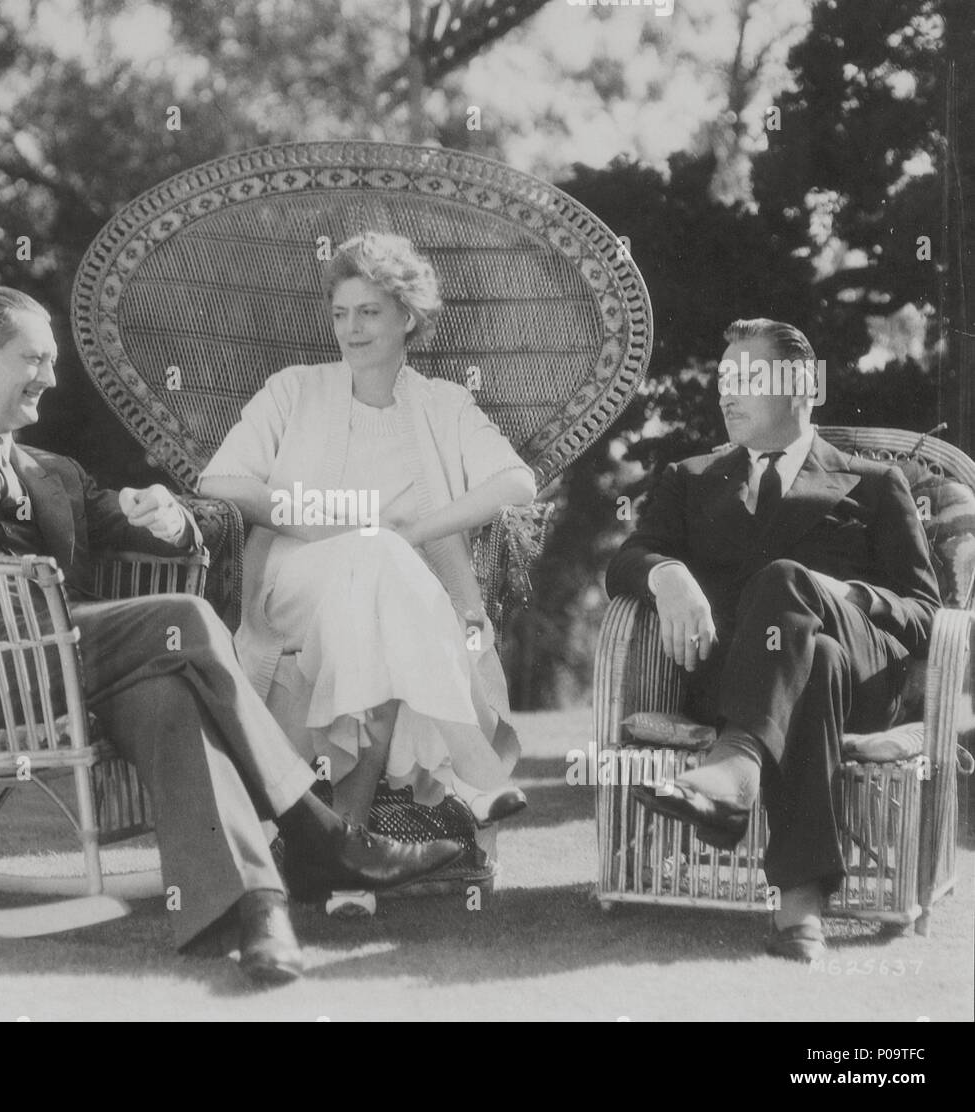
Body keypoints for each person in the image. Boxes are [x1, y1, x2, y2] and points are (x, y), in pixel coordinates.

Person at [0, 286, 463, 986]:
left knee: (172, 689)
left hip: (72, 673)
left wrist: (170, 517)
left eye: (52, 364)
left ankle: (259, 912)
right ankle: (318, 835)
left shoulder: (55, 473)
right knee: (184, 621)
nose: (48, 378)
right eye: (32, 360)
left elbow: (158, 525)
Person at [198, 232, 535, 892]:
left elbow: (515, 483)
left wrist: (416, 528)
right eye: (341, 314)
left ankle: (344, 853)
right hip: (296, 585)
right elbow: (220, 481)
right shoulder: (295, 390)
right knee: (374, 557)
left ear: (407, 316)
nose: (351, 330)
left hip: (406, 601)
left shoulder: (443, 404)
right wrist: (313, 517)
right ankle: (478, 768)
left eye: (370, 313)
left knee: (378, 590)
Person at [607, 318, 941, 961]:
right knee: (811, 658)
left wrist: (838, 593)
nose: (727, 394)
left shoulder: (875, 483)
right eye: (723, 380)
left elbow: (926, 613)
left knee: (790, 586)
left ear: (804, 386)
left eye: (746, 377)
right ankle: (800, 909)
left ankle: (734, 768)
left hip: (865, 682)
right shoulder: (690, 477)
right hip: (738, 680)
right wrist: (668, 575)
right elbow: (627, 557)